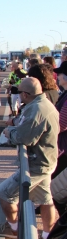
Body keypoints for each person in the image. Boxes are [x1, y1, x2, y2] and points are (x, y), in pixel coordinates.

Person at [0, 78, 58, 239]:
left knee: (3, 193)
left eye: (20, 93)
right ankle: (48, 236)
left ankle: (14, 230)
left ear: (26, 94)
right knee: (46, 199)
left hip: (36, 164)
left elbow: (25, 138)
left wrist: (8, 132)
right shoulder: (45, 104)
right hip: (46, 160)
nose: (19, 96)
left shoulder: (37, 110)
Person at [50, 62, 67, 216]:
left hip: (64, 149)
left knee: (57, 188)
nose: (57, 77)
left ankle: (61, 225)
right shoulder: (64, 94)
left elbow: (62, 124)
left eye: (60, 74)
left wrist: (48, 131)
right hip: (62, 146)